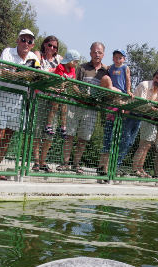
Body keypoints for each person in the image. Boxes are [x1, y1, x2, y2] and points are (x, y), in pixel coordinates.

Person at [0, 28, 38, 180]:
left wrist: (17, 74)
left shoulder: (33, 56)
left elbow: (35, 75)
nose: (26, 43)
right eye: (23, 40)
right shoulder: (8, 51)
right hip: (2, 97)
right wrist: (25, 74)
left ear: (33, 44)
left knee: (8, 137)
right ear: (17, 40)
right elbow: (4, 73)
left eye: (29, 41)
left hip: (19, 101)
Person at [58, 41, 108, 174]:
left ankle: (76, 164)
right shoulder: (82, 67)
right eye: (94, 51)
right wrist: (81, 95)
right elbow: (74, 84)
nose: (96, 54)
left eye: (99, 52)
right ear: (90, 52)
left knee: (83, 138)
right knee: (69, 134)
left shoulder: (106, 71)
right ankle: (65, 163)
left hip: (91, 109)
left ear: (103, 54)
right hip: (76, 104)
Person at [33, 49, 80, 172]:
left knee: (64, 107)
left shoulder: (72, 70)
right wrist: (63, 86)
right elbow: (58, 80)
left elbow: (73, 83)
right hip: (52, 93)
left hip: (62, 93)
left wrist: (80, 93)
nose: (75, 64)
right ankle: (37, 161)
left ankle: (63, 126)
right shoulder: (60, 67)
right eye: (74, 61)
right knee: (39, 129)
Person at [117, 69, 158, 177]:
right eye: (157, 78)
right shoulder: (144, 85)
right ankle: (114, 166)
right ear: (153, 77)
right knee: (124, 141)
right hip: (131, 113)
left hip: (139, 116)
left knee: (130, 143)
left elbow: (154, 105)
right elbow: (143, 104)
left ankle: (117, 166)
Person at [96, 49, 132, 174]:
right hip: (111, 98)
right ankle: (102, 166)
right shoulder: (110, 68)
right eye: (116, 57)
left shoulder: (125, 68)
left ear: (124, 58)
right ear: (113, 58)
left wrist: (128, 91)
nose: (118, 59)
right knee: (108, 136)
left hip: (120, 97)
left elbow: (127, 80)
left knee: (114, 137)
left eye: (120, 57)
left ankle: (109, 166)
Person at [31, 35, 62, 172]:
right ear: (44, 44)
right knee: (37, 130)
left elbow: (65, 75)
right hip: (40, 96)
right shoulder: (39, 55)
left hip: (54, 100)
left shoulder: (59, 59)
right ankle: (36, 161)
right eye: (50, 45)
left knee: (50, 132)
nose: (52, 48)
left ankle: (43, 161)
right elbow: (38, 73)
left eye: (55, 47)